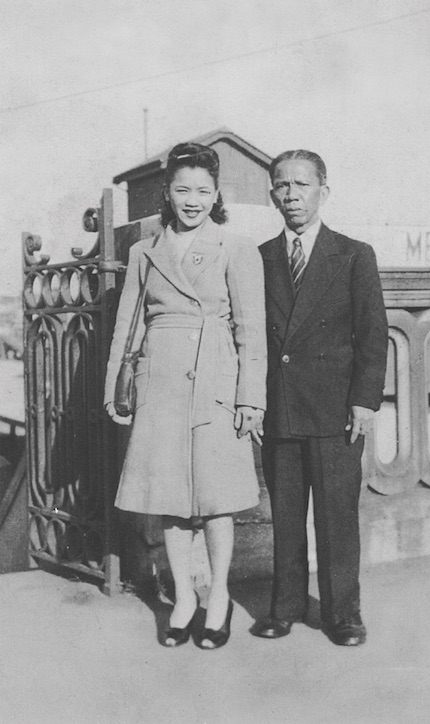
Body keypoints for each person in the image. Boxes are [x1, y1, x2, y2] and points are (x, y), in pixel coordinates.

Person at [104, 142, 267, 650]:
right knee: (169, 499)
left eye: (203, 190)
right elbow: (126, 327)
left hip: (216, 378)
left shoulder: (236, 248)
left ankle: (217, 596)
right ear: (167, 194)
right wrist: (116, 387)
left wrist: (250, 398)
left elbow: (251, 331)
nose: (192, 199)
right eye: (182, 189)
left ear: (216, 194)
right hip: (161, 384)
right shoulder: (143, 252)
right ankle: (184, 598)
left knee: (217, 500)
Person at [251, 149, 388, 646]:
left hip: (335, 411)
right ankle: (284, 607)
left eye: (301, 185)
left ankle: (342, 613)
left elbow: (373, 336)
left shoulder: (354, 254)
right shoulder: (259, 257)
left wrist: (365, 402)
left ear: (323, 192)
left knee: (337, 517)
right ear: (272, 195)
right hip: (280, 405)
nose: (291, 195)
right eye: (282, 186)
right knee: (285, 514)